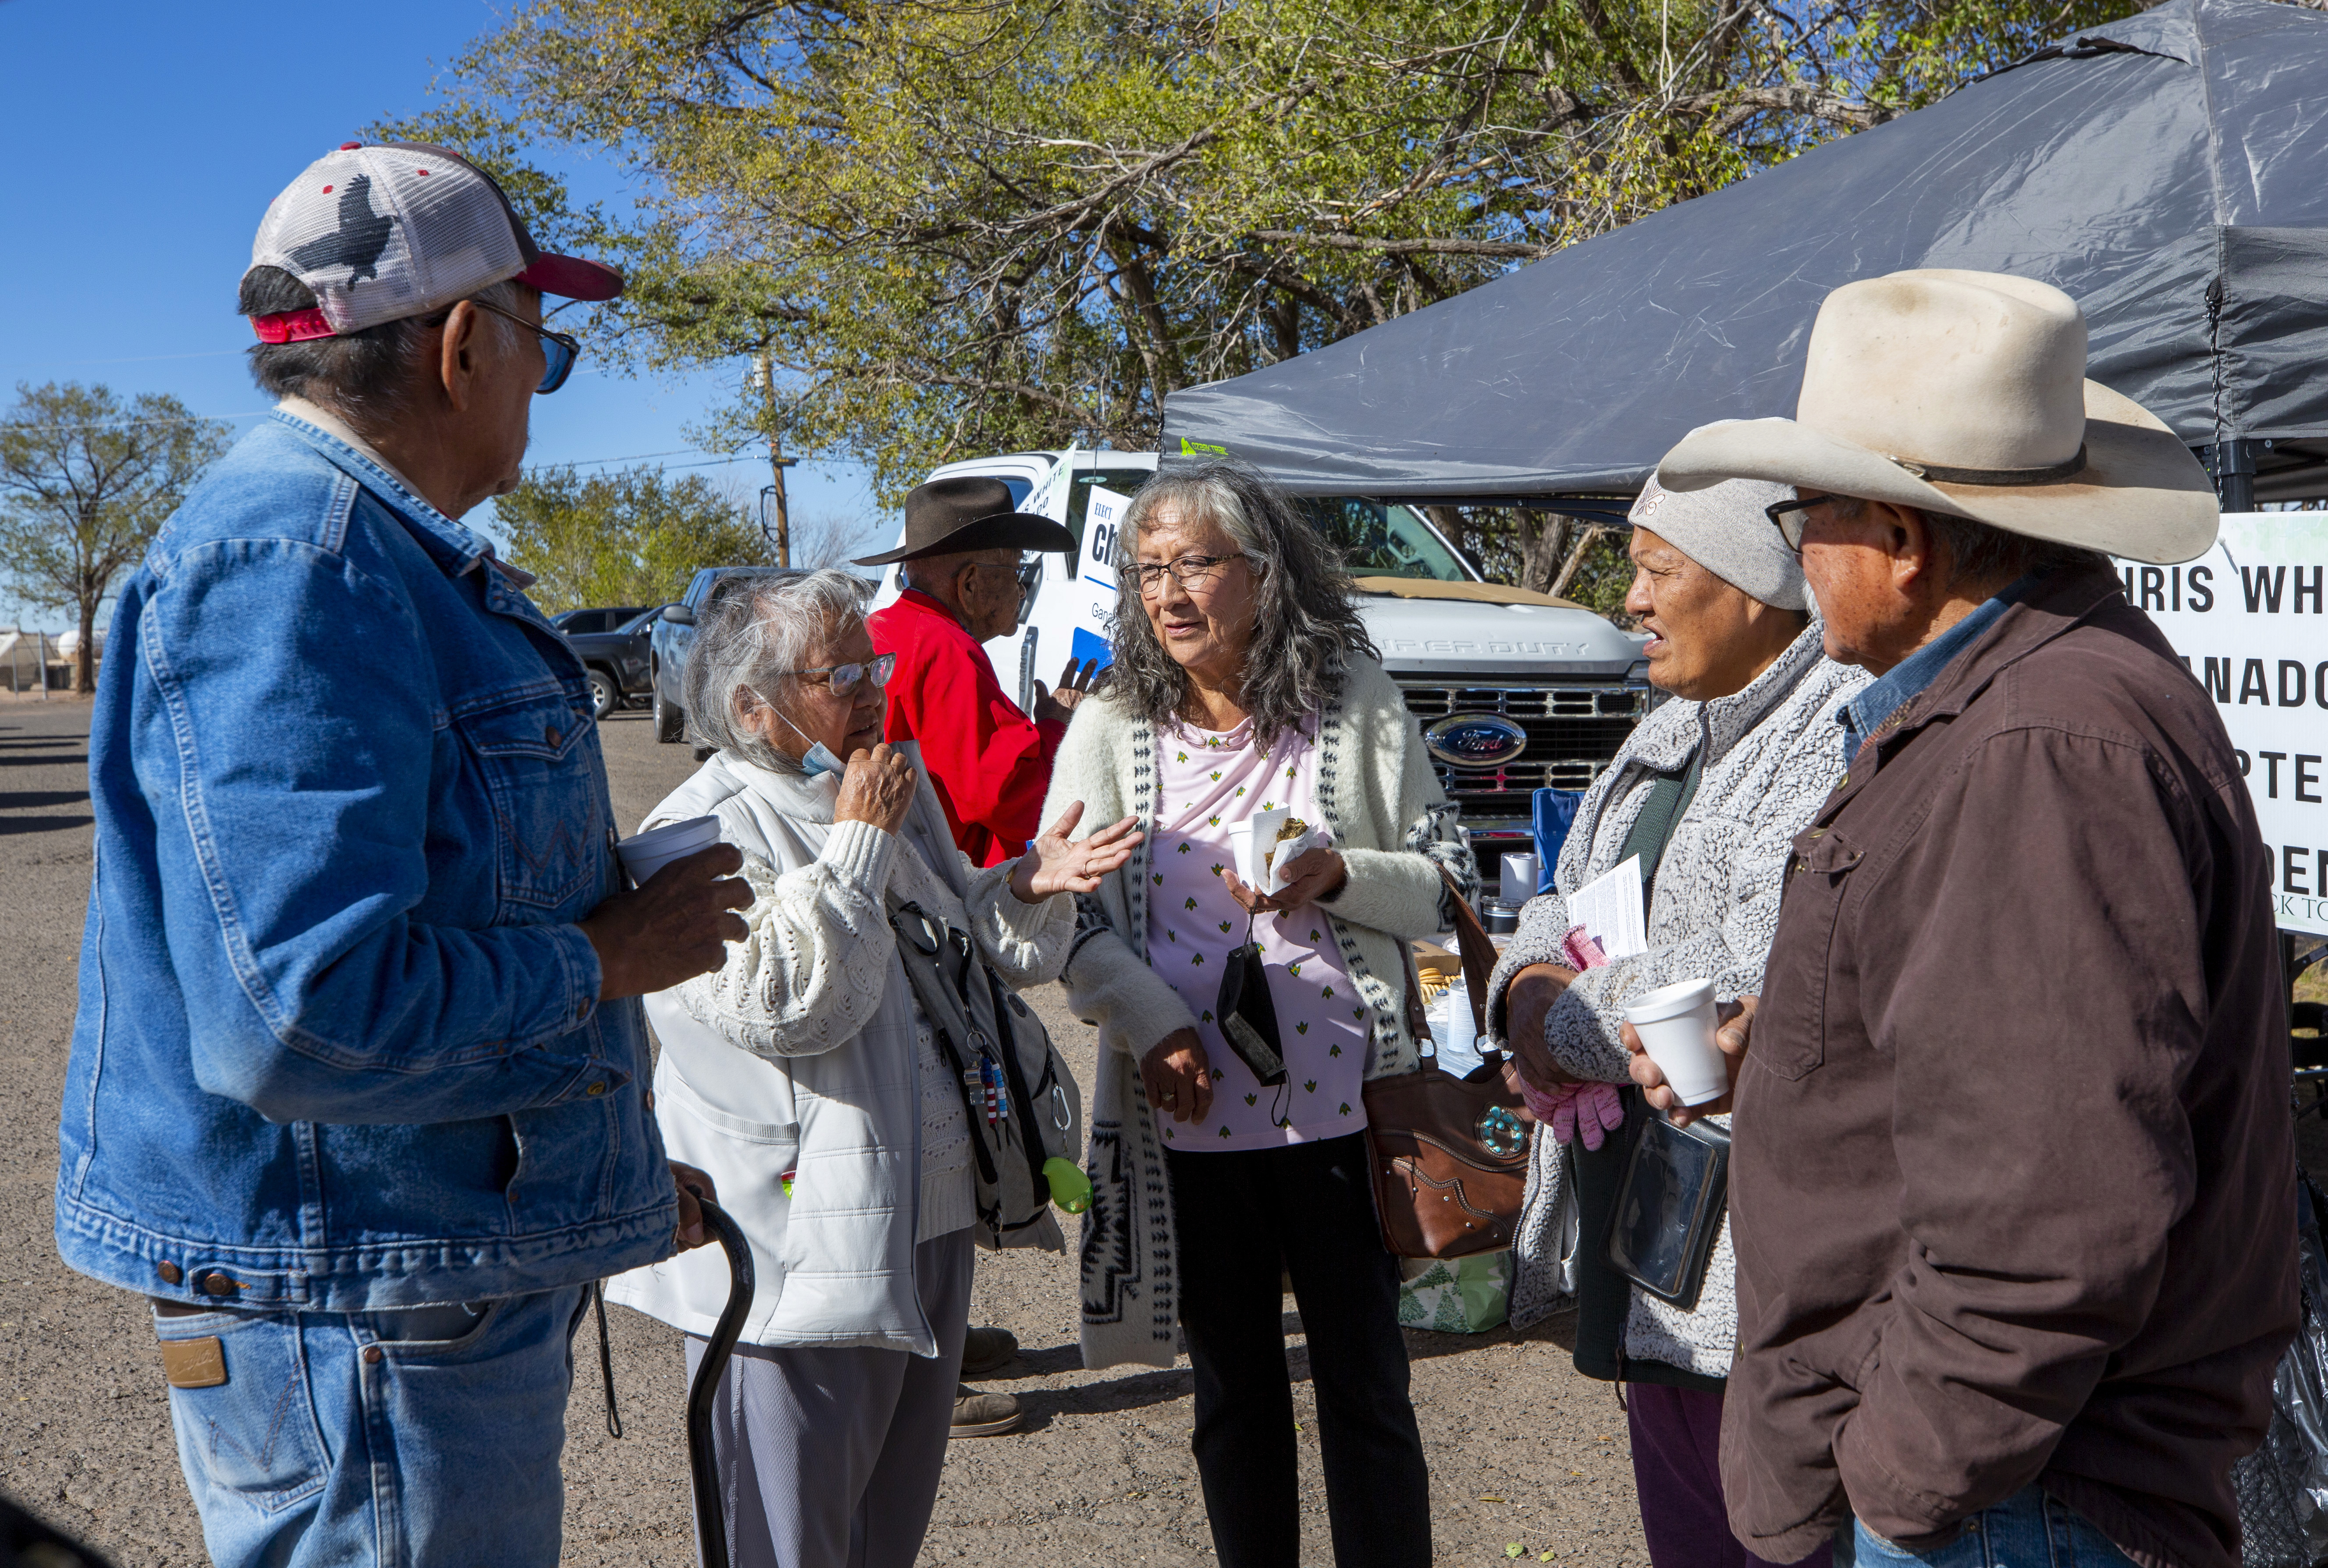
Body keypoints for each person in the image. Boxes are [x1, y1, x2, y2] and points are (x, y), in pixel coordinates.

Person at [54, 142, 742, 1568]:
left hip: (404, 1288)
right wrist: (610, 954)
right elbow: (297, 1009)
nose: (541, 378)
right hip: (367, 1315)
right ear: (462, 343)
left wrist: (602, 1169)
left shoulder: (362, 555)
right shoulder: (301, 564)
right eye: (545, 345)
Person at [1644, 269, 2296, 1567]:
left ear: (1902, 539)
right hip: (2016, 1487)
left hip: (2016, 1502)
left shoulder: (2038, 745)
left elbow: (2050, 1201)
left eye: (1805, 511)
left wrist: (1908, 1474)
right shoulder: (2025, 707)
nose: (1790, 549)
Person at [603, 569, 1140, 1568]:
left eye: (873, 663)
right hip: (789, 1257)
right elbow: (789, 1005)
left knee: (883, 1536)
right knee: (785, 1541)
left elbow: (966, 948)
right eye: (838, 672)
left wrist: (1022, 882)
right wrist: (856, 843)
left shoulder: (888, 783)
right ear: (748, 704)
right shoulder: (693, 833)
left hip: (926, 1219)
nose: (870, 690)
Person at [1045, 458, 1474, 1568]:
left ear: (1263, 571)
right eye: (1147, 571)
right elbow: (1061, 918)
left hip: (1344, 1114)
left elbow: (1444, 880)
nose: (1168, 594)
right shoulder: (1107, 726)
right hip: (1184, 1118)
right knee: (1232, 1400)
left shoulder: (1352, 705)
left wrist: (1336, 875)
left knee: (1367, 1398)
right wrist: (1153, 1020)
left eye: (1195, 563)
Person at [1484, 477, 1866, 1568]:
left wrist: (1547, 1020)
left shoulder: (1830, 731)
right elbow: (1552, 902)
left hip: (1749, 1237)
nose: (1631, 601)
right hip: (1644, 1221)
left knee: (1770, 1521)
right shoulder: (1664, 729)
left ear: (1751, 582)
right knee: (1683, 1511)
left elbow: (1750, 967)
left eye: (1656, 569)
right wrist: (1521, 987)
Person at [857, 476, 1098, 867]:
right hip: (954, 895)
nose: (1021, 590)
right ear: (969, 584)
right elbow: (1016, 800)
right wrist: (1058, 725)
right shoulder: (945, 648)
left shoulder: (881, 628)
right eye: (1015, 570)